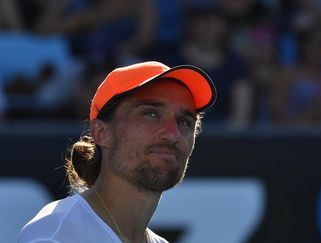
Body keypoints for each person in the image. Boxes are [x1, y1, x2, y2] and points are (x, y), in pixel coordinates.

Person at [17, 61, 217, 243]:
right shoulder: (55, 235)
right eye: (151, 114)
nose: (173, 135)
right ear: (101, 133)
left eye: (185, 122)